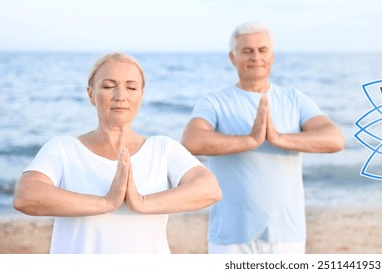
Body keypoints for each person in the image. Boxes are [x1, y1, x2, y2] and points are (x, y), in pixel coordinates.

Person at [12, 52, 222, 254]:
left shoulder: (163, 148)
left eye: (131, 87)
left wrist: (141, 202)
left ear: (141, 95)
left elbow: (209, 189)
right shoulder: (63, 149)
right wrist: (106, 202)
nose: (120, 96)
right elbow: (26, 196)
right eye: (108, 86)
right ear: (91, 94)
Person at [181, 21, 345, 254]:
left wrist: (278, 138)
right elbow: (192, 140)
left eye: (262, 50)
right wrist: (250, 140)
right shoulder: (214, 102)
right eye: (247, 50)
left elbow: (334, 139)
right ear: (232, 57)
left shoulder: (295, 100)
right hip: (230, 235)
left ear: (272, 56)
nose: (255, 57)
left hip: (286, 234)